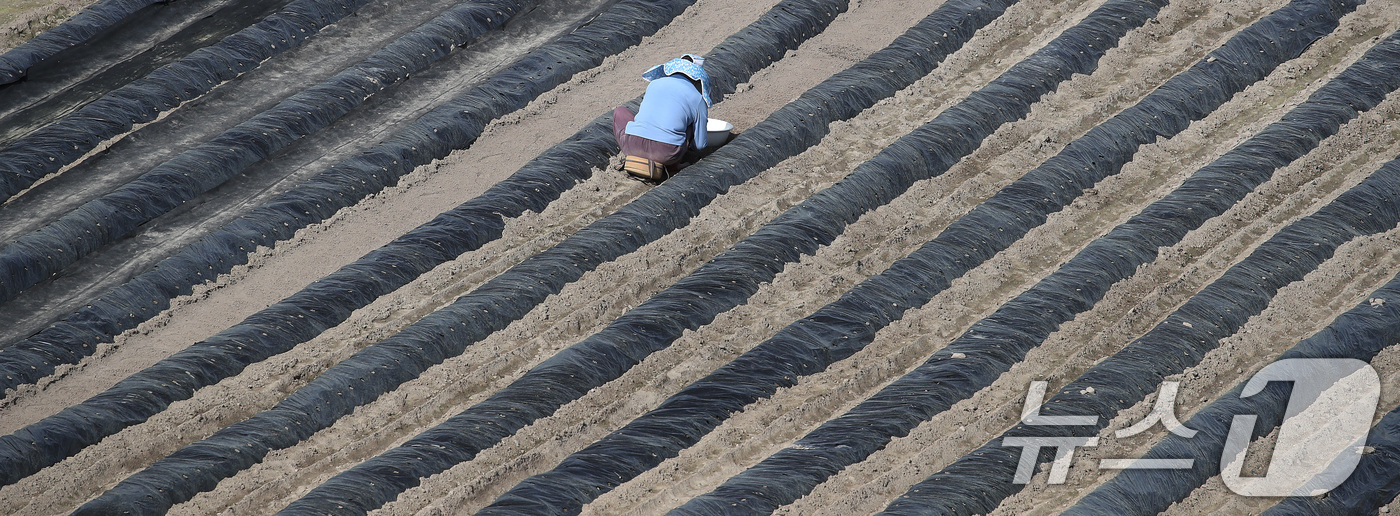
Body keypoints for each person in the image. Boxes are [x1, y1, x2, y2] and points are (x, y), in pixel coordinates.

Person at [614, 54, 712, 180]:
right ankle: (672, 167)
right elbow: (700, 145)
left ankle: (635, 156)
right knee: (690, 124)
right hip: (665, 153)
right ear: (698, 80)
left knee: (620, 111)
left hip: (632, 146)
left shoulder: (654, 84)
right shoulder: (698, 99)